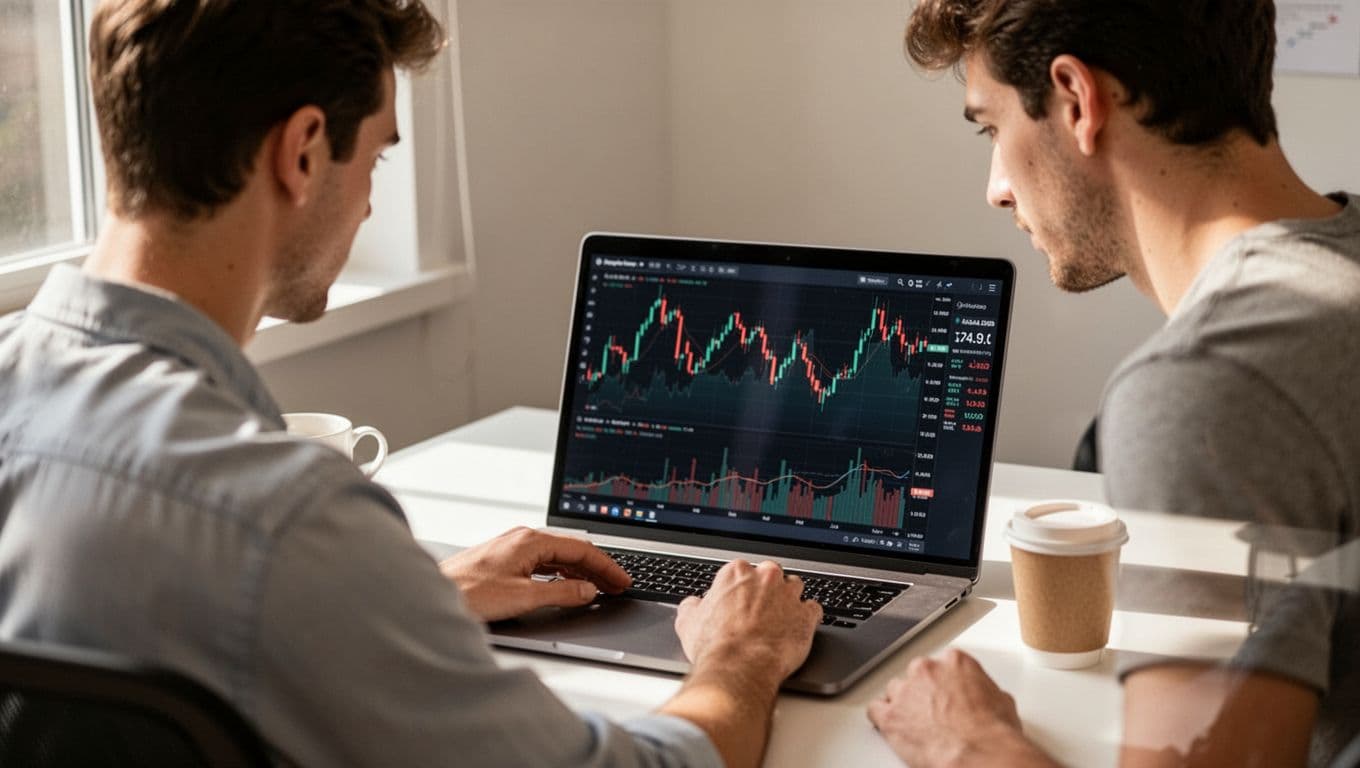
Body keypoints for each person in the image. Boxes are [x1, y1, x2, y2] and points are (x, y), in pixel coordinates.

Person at [0, 1, 821, 766]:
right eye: (379, 156)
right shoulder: (286, 517)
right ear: (303, 151)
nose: (365, 206)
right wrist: (741, 654)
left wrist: (392, 608)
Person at [869, 1, 1360, 766]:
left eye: (992, 127)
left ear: (1076, 100)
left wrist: (968, 742)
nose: (997, 187)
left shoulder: (1208, 381)